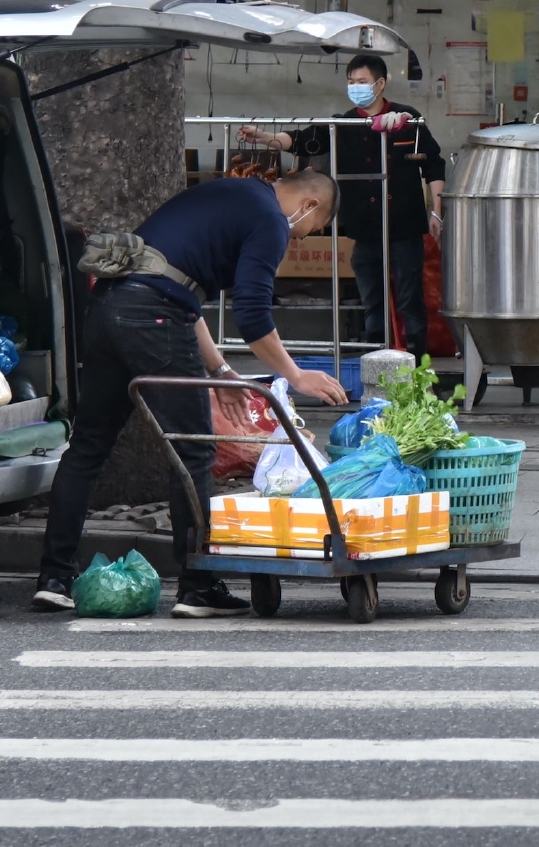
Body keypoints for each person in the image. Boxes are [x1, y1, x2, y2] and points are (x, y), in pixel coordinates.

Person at [33, 170, 350, 617]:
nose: (299, 237)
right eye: (310, 231)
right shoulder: (271, 220)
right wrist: (297, 375)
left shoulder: (230, 194)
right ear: (310, 205)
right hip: (153, 317)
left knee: (88, 446)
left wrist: (220, 371)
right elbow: (254, 316)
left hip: (107, 308)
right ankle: (198, 586)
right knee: (193, 452)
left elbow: (179, 289)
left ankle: (54, 578)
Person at [244, 55, 444, 356]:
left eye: (361, 82)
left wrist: (436, 213)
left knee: (409, 300)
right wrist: (266, 137)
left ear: (380, 83)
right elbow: (304, 140)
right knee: (372, 300)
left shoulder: (408, 120)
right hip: (364, 230)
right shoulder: (344, 123)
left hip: (404, 227)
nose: (355, 87)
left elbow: (434, 166)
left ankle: (415, 362)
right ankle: (375, 359)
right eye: (351, 82)